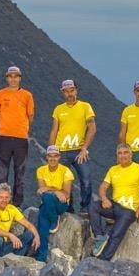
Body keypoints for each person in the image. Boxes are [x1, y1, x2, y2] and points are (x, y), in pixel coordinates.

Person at [93, 144, 139, 260]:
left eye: (126, 152)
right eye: (120, 153)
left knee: (115, 235)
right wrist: (104, 199)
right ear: (117, 156)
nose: (123, 155)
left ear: (131, 155)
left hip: (129, 210)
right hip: (114, 206)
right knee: (93, 206)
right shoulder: (113, 169)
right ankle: (99, 237)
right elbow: (102, 187)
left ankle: (103, 260)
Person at [47, 79, 96, 213]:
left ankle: (85, 208)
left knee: (85, 180)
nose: (69, 93)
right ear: (63, 93)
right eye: (66, 91)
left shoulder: (85, 106)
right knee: (64, 182)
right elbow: (54, 130)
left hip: (79, 151)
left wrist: (85, 148)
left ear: (76, 90)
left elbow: (92, 128)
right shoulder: (58, 109)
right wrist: (51, 150)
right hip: (61, 151)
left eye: (72, 90)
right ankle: (68, 209)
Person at [0, 65, 34, 203]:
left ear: (20, 78)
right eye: (10, 76)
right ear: (7, 78)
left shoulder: (27, 95)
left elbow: (30, 116)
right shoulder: (0, 94)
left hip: (21, 138)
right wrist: (2, 128)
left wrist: (22, 128)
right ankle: (1, 200)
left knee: (19, 172)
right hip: (3, 137)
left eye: (16, 76)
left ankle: (16, 203)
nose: (13, 79)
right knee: (3, 172)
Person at [33, 146, 75, 262]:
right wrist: (56, 191)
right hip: (47, 204)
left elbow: (66, 194)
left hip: (60, 204)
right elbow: (41, 190)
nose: (52, 159)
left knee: (47, 196)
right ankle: (41, 259)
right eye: (50, 156)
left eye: (55, 156)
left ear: (59, 157)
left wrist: (51, 190)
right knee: (42, 227)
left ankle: (54, 218)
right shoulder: (41, 170)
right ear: (46, 157)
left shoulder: (66, 171)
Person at [0, 183, 39, 258]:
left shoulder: (12, 209)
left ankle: (13, 258)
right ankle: (1, 258)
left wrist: (37, 236)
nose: (4, 200)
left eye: (6, 197)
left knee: (29, 235)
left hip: (4, 245)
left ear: (10, 198)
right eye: (1, 197)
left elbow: (28, 225)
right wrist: (10, 235)